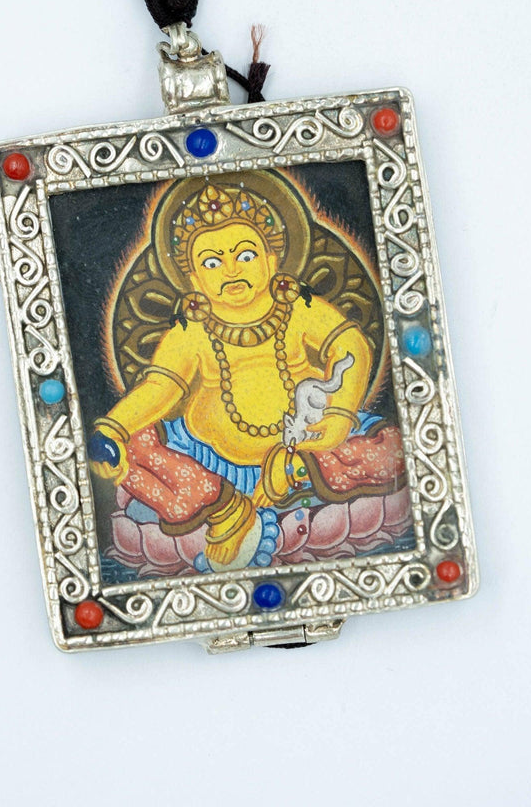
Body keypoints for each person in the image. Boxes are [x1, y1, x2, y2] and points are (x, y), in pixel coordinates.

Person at [90, 173, 406, 571]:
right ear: (194, 280)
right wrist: (114, 428)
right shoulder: (191, 331)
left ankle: (294, 476)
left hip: (306, 449)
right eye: (212, 262)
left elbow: (350, 344)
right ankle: (224, 506)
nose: (230, 270)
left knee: (393, 450)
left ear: (272, 262)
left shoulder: (298, 308)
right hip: (207, 463)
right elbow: (159, 388)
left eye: (245, 255)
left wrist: (340, 415)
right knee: (135, 448)